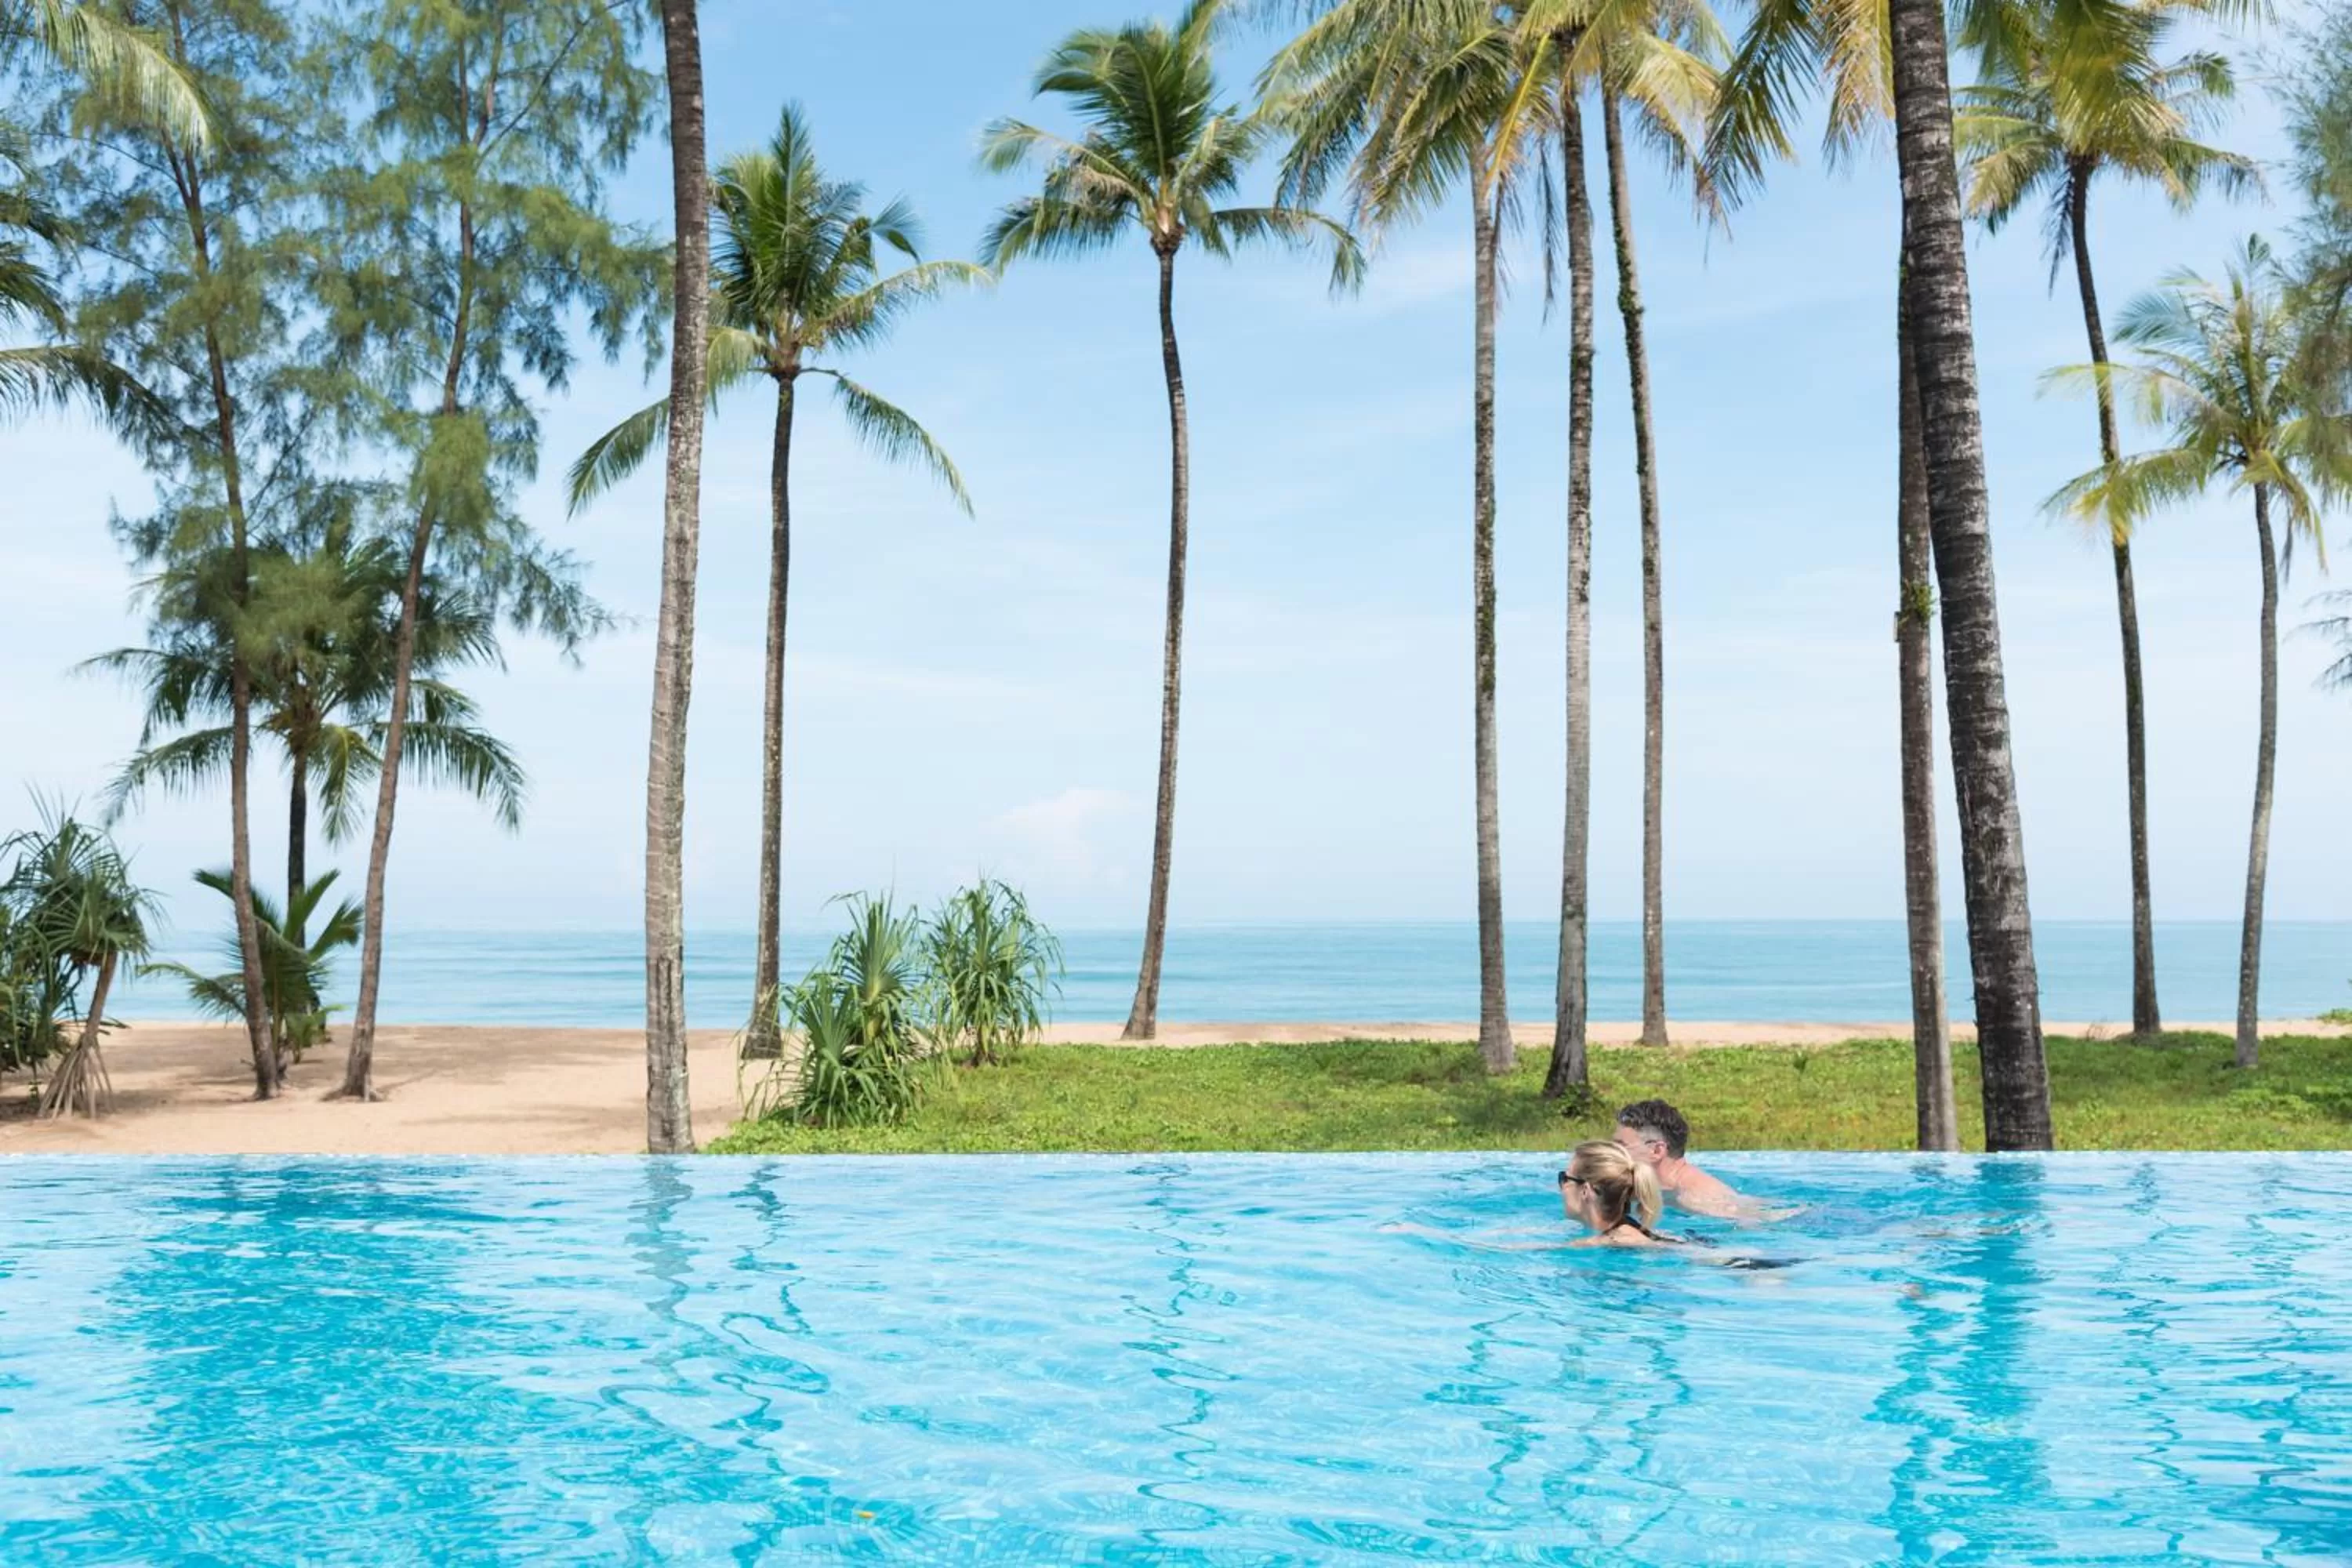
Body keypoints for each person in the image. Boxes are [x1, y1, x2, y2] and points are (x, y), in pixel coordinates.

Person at [1613, 1099, 1750, 1219]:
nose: (1611, 1153)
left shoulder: (1697, 1197)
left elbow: (1746, 1226)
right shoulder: (1649, 1187)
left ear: (1657, 1151)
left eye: (1621, 1146)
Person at [1556, 1139, 1679, 1247]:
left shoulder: (1604, 1244)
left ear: (1585, 1190)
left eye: (1564, 1179)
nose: (1561, 1188)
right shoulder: (1635, 1233)